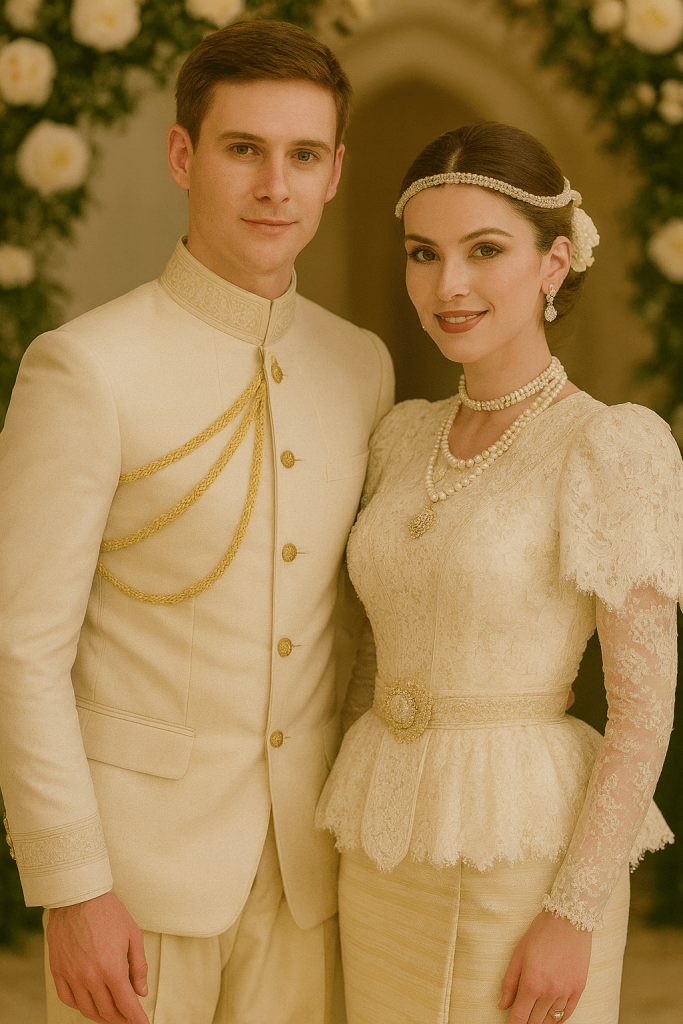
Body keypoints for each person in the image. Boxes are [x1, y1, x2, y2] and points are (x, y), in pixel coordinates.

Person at [0, 20, 393, 1024]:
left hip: (308, 879)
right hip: (134, 880)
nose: (274, 184)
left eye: (303, 155)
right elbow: (20, 649)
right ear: (184, 155)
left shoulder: (361, 367)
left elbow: (352, 630)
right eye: (242, 149)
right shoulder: (85, 366)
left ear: (335, 172)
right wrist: (73, 881)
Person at [317, 121, 682, 1024]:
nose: (449, 286)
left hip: (517, 852)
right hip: (376, 845)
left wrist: (572, 912)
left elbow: (642, 708)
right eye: (423, 253)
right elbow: (373, 646)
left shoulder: (608, 444)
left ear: (553, 264)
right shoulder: (400, 435)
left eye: (485, 250)